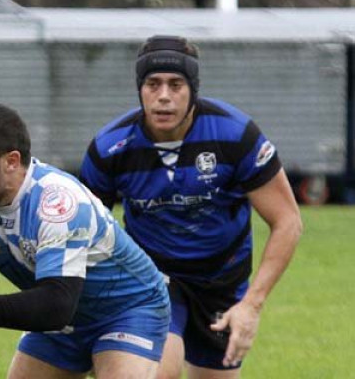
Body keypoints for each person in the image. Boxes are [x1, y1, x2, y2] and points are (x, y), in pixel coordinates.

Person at [80, 35, 302, 378]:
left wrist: (252, 305)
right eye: (153, 84)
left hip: (222, 281)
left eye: (176, 84)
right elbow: (85, 232)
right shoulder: (111, 148)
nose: (164, 96)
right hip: (152, 277)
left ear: (193, 89)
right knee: (159, 371)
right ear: (139, 89)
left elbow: (287, 221)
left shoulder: (235, 135)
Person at [0, 103, 170, 379]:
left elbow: (56, 306)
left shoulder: (58, 203)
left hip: (128, 309)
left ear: (11, 162)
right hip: (66, 315)